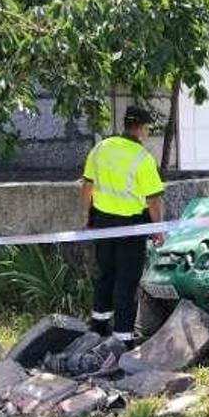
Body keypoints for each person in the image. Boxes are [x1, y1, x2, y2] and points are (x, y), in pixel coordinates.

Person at [80, 106, 165, 348]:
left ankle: (98, 327)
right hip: (131, 226)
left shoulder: (100, 148)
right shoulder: (142, 158)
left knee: (105, 274)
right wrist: (157, 229)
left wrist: (86, 216)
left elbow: (87, 186)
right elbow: (153, 200)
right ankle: (123, 338)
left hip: (103, 223)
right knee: (127, 280)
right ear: (142, 128)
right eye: (148, 128)